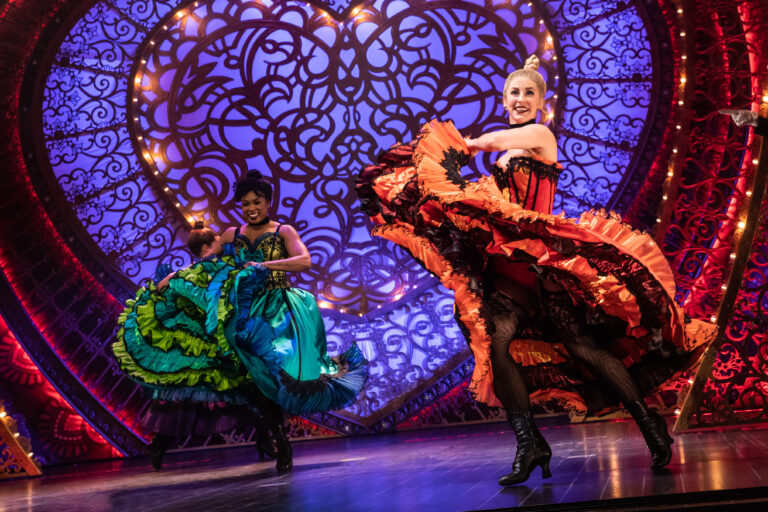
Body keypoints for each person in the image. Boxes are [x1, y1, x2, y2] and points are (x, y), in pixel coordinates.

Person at [357, 56, 713, 486]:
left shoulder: (539, 136)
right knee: (494, 340)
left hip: (543, 262)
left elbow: (492, 142)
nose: (522, 99)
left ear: (542, 102)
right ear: (504, 99)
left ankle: (647, 423)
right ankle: (530, 443)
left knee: (584, 350)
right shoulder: (509, 148)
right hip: (509, 266)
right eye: (515, 93)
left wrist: (463, 145)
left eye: (530, 93)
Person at [114, 171, 368, 472]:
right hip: (238, 310)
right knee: (230, 377)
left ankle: (279, 444)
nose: (251, 208)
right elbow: (207, 263)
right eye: (245, 203)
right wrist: (175, 277)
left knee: (269, 378)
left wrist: (263, 264)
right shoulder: (232, 234)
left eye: (256, 202)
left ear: (268, 201)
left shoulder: (282, 231)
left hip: (275, 311)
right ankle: (173, 443)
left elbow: (305, 260)